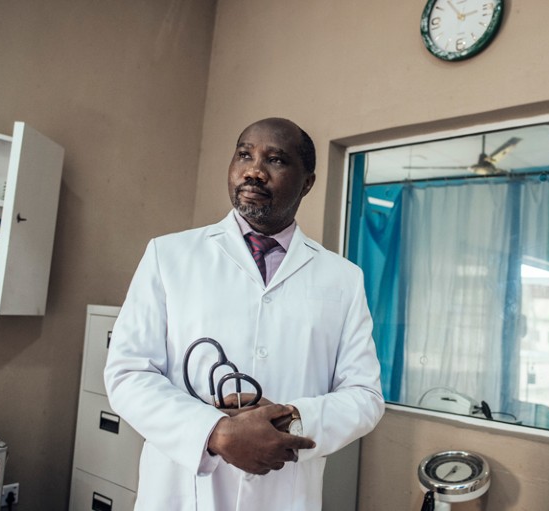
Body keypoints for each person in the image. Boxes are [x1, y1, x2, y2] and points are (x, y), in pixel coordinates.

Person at [104, 117, 385, 510]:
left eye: (276, 160)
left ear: (307, 183)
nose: (254, 170)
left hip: (285, 493)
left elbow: (365, 396)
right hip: (184, 492)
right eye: (244, 155)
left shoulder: (343, 278)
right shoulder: (169, 256)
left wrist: (290, 420)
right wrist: (216, 433)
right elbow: (128, 373)